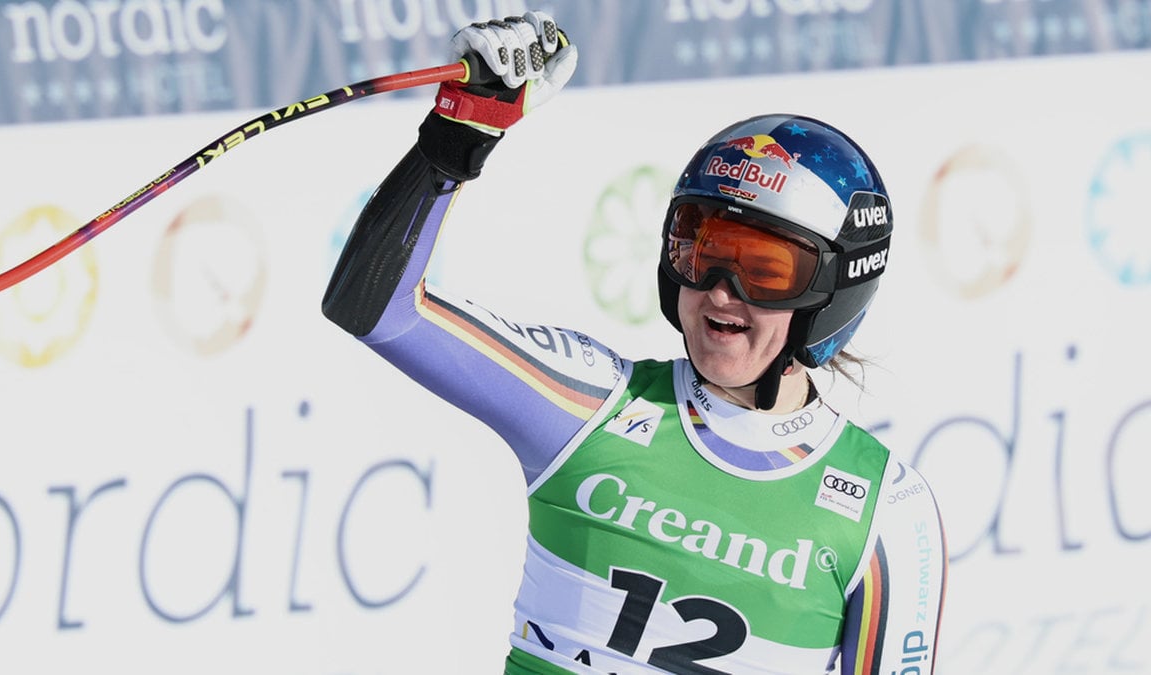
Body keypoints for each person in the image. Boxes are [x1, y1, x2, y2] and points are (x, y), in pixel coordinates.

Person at [323, 12, 946, 675]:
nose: (720, 291)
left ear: (833, 294)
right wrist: (458, 137)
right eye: (698, 247)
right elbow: (377, 308)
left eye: (764, 269)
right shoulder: (592, 403)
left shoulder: (886, 511)